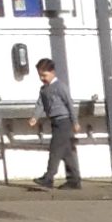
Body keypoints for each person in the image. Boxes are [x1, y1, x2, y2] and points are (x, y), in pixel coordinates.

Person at [32, 59, 80, 190]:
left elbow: (69, 104)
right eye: (40, 75)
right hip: (54, 122)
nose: (42, 78)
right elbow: (40, 104)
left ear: (52, 72)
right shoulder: (44, 89)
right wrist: (35, 117)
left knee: (55, 149)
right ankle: (74, 180)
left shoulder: (60, 87)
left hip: (64, 121)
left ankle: (48, 177)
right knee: (67, 153)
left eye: (44, 75)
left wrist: (75, 122)